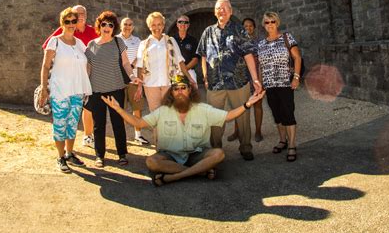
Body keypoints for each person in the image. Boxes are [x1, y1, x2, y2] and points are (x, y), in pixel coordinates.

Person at [101, 75, 266, 186]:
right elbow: (138, 122)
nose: (180, 91)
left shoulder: (202, 109)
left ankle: (175, 176)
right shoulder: (163, 111)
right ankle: (199, 172)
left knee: (218, 154)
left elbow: (228, 116)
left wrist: (247, 104)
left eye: (183, 88)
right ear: (171, 93)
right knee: (152, 161)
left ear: (189, 90)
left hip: (196, 154)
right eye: (176, 89)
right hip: (170, 156)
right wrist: (118, 109)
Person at [197, 0, 262, 161]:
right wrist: (205, 76)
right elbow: (203, 56)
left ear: (231, 12)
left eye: (225, 8)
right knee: (215, 118)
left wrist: (255, 79)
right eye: (219, 8)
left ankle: (246, 147)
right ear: (215, 12)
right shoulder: (207, 32)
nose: (222, 11)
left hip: (238, 82)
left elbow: (248, 55)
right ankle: (215, 149)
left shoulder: (239, 30)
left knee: (243, 116)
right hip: (214, 83)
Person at [38, 7, 92, 173]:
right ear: (62, 23)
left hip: (77, 90)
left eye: (73, 21)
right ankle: (60, 157)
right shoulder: (55, 41)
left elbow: (89, 62)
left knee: (72, 124)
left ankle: (69, 153)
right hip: (60, 90)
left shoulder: (80, 44)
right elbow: (46, 66)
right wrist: (43, 88)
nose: (70, 24)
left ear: (77, 23)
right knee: (60, 125)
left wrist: (86, 77)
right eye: (67, 21)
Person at [84, 11, 141, 168]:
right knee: (99, 124)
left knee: (118, 123)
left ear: (114, 27)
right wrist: (84, 87)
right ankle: (99, 156)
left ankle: (122, 154)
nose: (107, 27)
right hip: (96, 91)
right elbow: (88, 68)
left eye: (110, 25)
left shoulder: (118, 43)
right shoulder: (91, 45)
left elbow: (125, 64)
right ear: (99, 26)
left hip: (116, 89)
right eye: (104, 24)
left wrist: (132, 76)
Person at [257, 11, 302, 162]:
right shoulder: (261, 44)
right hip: (270, 85)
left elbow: (297, 57)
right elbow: (261, 66)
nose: (270, 25)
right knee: (277, 114)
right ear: (263, 25)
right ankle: (283, 140)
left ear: (277, 22)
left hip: (285, 83)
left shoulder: (286, 38)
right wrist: (261, 83)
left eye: (272, 21)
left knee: (288, 113)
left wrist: (296, 77)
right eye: (267, 22)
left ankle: (292, 145)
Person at [136, 12, 196, 113]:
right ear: (149, 27)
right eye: (153, 25)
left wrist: (190, 78)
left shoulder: (171, 41)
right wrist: (139, 87)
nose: (157, 27)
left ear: (163, 25)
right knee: (155, 113)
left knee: (169, 112)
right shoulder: (143, 44)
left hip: (168, 83)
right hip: (150, 84)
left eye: (159, 24)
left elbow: (180, 61)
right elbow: (140, 66)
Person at [228, 17, 264, 143]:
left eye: (250, 26)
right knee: (240, 104)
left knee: (257, 104)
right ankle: (237, 131)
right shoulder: (238, 42)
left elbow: (261, 61)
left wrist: (260, 79)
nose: (248, 28)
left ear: (254, 28)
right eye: (245, 26)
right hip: (241, 77)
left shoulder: (259, 42)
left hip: (256, 75)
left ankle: (258, 131)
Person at [116, 17, 149, 145]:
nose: (127, 27)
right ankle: (122, 137)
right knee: (120, 109)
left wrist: (131, 67)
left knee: (137, 108)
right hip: (118, 80)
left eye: (130, 24)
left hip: (134, 79)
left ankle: (138, 135)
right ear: (121, 26)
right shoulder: (115, 40)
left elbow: (140, 57)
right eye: (125, 24)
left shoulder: (137, 41)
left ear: (133, 27)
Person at [172, 15, 200, 83]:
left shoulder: (193, 40)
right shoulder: (171, 40)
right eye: (180, 22)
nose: (183, 24)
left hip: (189, 71)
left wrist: (184, 70)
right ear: (177, 24)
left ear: (188, 25)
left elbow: (195, 59)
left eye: (185, 22)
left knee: (192, 93)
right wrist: (179, 71)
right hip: (175, 73)